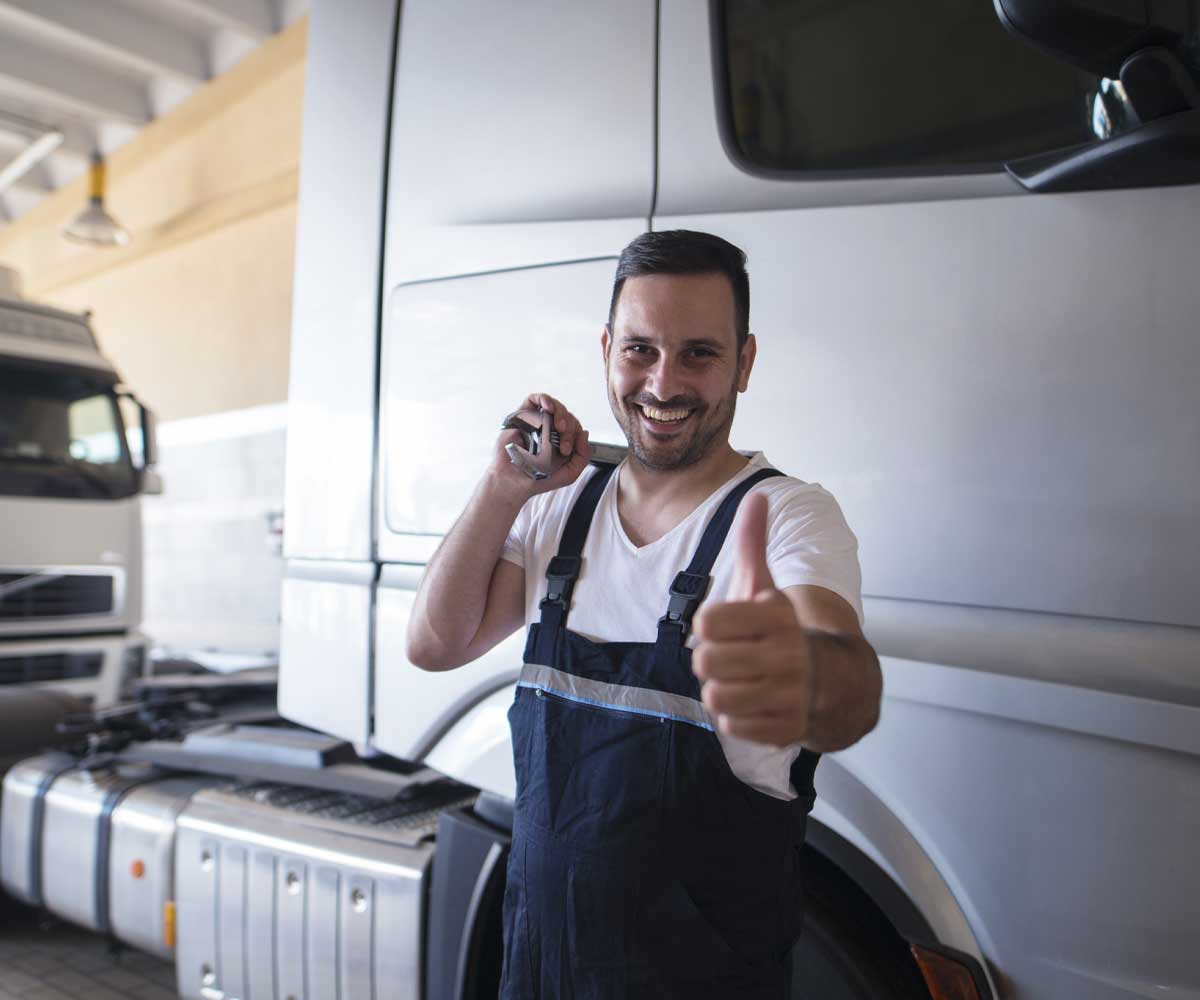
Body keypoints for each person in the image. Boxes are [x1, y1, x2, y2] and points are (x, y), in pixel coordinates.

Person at [407, 230, 882, 998]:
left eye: (699, 353)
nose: (663, 383)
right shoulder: (559, 505)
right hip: (540, 974)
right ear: (606, 351)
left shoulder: (788, 518)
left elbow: (844, 685)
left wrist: (804, 672)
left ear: (744, 363)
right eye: (640, 350)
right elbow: (435, 643)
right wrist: (502, 487)